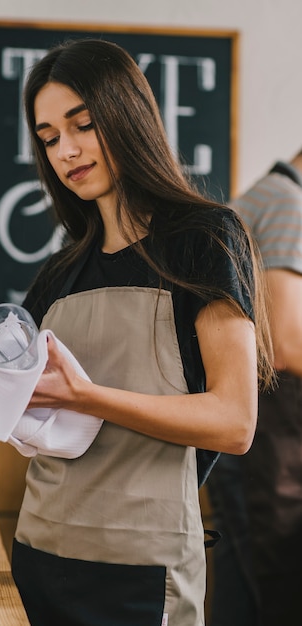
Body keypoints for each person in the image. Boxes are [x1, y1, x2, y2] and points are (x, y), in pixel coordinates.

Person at [10, 38, 274, 626]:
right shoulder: (61, 270)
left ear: (127, 116)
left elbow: (234, 423)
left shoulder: (203, 238)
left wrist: (86, 397)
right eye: (50, 138)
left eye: (83, 125)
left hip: (138, 572)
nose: (67, 150)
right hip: (39, 550)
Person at [207, 149, 302, 626]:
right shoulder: (288, 203)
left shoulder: (267, 196)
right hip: (257, 419)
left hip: (242, 415)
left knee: (242, 567)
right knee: (268, 573)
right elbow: (285, 342)